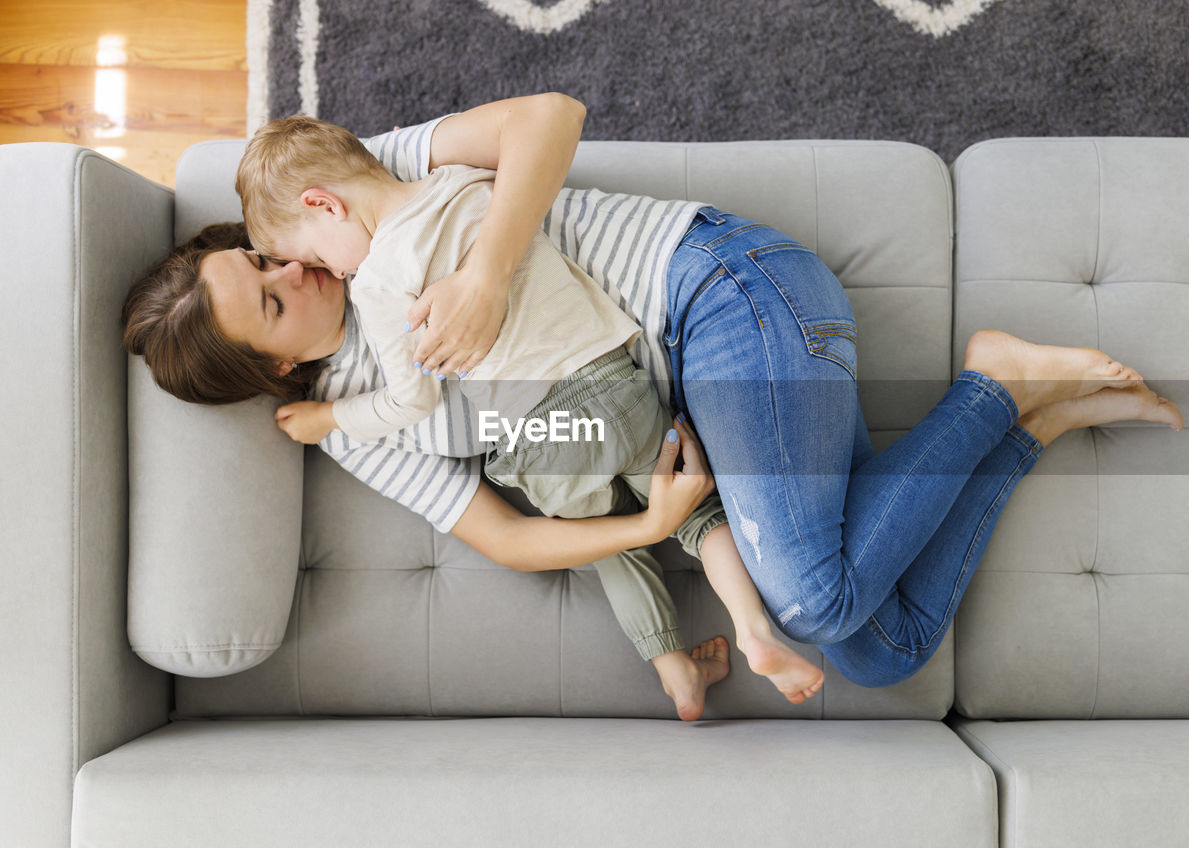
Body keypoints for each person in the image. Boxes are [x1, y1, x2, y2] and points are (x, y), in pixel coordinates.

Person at [125, 93, 1183, 699]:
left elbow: (549, 114)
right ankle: (1021, 419)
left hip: (716, 295)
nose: (293, 275)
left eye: (263, 261)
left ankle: (990, 384)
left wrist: (489, 270)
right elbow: (500, 533)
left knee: (812, 600)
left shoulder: (376, 195)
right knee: (877, 646)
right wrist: (651, 519)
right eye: (269, 300)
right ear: (275, 369)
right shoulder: (359, 414)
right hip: (691, 417)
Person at [226, 114, 825, 715]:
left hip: (542, 435)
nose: (325, 271)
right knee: (699, 514)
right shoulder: (467, 182)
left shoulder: (377, 287)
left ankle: (675, 670)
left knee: (604, 544)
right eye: (280, 290)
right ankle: (753, 630)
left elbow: (415, 400)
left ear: (325, 205)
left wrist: (330, 418)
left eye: (312, 257)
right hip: (616, 383)